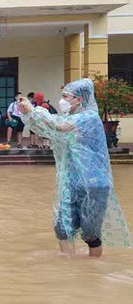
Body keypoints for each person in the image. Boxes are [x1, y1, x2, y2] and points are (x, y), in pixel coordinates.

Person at [19, 79, 130, 257]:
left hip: (93, 183)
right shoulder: (69, 117)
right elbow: (47, 129)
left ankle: (92, 272)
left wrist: (35, 110)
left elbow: (60, 127)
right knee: (62, 228)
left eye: (65, 96)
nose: (61, 100)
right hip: (71, 180)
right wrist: (28, 115)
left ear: (78, 99)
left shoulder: (90, 117)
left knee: (90, 233)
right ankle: (69, 268)